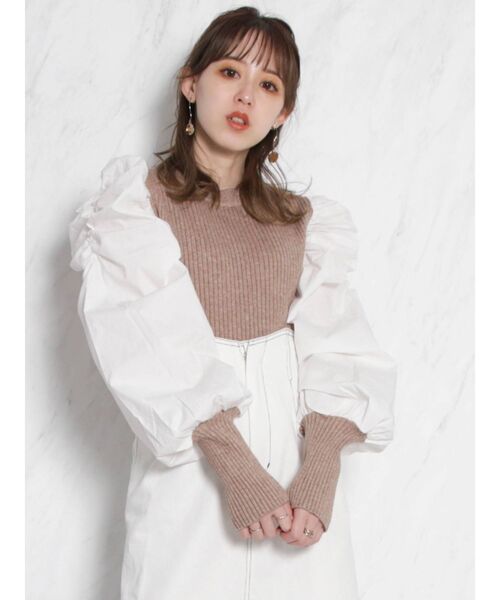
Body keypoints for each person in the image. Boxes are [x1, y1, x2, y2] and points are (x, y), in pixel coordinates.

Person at [68, 6, 397, 599]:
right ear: (191, 85)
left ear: (283, 112)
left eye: (268, 85)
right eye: (229, 72)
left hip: (298, 491)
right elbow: (144, 349)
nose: (246, 95)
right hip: (192, 472)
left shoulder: (304, 223)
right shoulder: (134, 209)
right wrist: (237, 468)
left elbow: (340, 346)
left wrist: (321, 467)